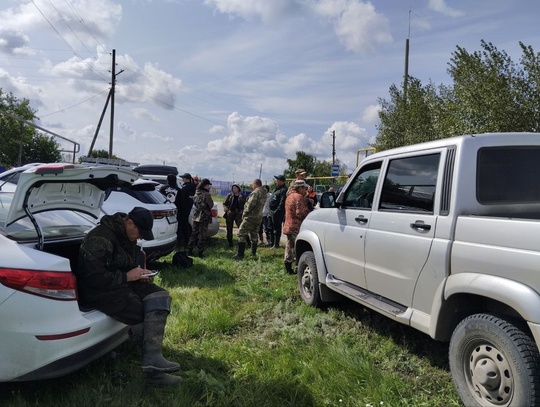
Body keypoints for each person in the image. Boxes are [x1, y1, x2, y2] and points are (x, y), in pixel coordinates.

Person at [76, 207, 181, 387]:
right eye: (140, 232)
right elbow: (92, 279)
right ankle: (153, 372)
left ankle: (151, 357)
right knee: (142, 310)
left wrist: (138, 274)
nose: (140, 237)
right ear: (129, 222)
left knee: (159, 297)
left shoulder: (125, 234)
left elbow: (125, 262)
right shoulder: (100, 238)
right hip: (99, 291)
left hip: (119, 284)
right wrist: (127, 277)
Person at [233, 179, 266, 260]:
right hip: (258, 217)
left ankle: (240, 254)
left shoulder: (255, 192)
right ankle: (253, 253)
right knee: (254, 234)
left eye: (252, 184)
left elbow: (251, 204)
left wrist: (244, 213)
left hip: (250, 216)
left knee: (241, 233)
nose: (252, 186)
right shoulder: (264, 192)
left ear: (255, 184)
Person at [283, 181, 311, 274]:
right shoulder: (298, 197)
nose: (305, 190)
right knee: (295, 248)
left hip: (288, 225)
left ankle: (288, 268)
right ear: (300, 188)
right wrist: (309, 214)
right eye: (304, 188)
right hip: (296, 226)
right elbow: (300, 212)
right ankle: (296, 268)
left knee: (289, 246)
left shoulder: (289, 196)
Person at [187, 178, 214, 258]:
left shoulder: (197, 193)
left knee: (194, 234)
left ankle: (189, 250)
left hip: (196, 215)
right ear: (206, 185)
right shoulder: (206, 194)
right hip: (204, 216)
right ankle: (200, 252)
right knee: (202, 235)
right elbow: (211, 205)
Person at [159, 174, 181, 245]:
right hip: (175, 210)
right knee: (174, 226)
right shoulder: (178, 190)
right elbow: (182, 201)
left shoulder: (163, 188)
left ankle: (163, 241)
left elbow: (159, 199)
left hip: (163, 210)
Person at [177, 173, 196, 250]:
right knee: (185, 225)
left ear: (187, 179)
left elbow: (181, 198)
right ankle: (187, 242)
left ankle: (182, 243)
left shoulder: (186, 188)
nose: (182, 179)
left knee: (182, 226)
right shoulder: (192, 187)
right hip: (188, 208)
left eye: (183, 178)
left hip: (183, 209)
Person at [267, 175, 287, 248]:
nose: (276, 181)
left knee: (276, 228)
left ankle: (276, 244)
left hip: (277, 212)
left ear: (282, 181)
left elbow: (282, 202)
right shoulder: (277, 189)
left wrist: (277, 211)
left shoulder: (283, 190)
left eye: (277, 180)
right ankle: (271, 242)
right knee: (270, 227)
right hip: (271, 211)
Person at [223, 184, 246, 248]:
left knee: (241, 228)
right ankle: (230, 243)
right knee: (229, 228)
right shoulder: (230, 195)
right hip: (230, 213)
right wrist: (225, 208)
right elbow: (224, 203)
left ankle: (245, 241)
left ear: (238, 189)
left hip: (238, 213)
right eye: (233, 188)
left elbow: (246, 205)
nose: (234, 189)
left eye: (235, 188)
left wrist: (243, 211)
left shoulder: (242, 196)